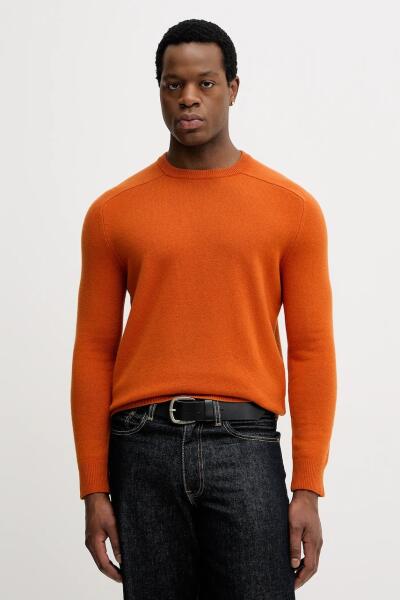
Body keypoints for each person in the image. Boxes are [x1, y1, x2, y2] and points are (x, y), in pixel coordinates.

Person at [70, 18, 337, 600]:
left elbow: (311, 350)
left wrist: (308, 486)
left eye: (206, 83)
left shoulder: (292, 209)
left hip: (245, 445)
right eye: (174, 84)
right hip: (141, 447)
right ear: (160, 91)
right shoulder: (113, 214)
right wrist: (93, 487)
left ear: (233, 88)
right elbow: (94, 350)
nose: (188, 97)